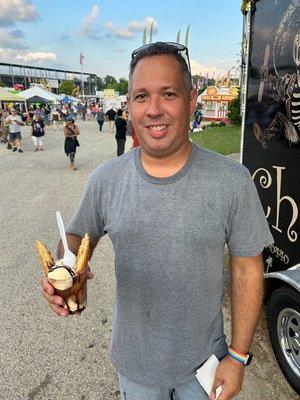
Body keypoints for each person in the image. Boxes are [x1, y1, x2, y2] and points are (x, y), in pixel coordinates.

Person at [41, 42, 273, 400]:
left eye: (168, 94)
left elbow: (247, 269)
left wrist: (239, 357)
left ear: (191, 100)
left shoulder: (232, 181)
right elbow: (73, 235)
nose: (153, 110)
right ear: (129, 105)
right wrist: (67, 271)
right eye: (140, 96)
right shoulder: (106, 180)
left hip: (205, 366)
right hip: (136, 369)